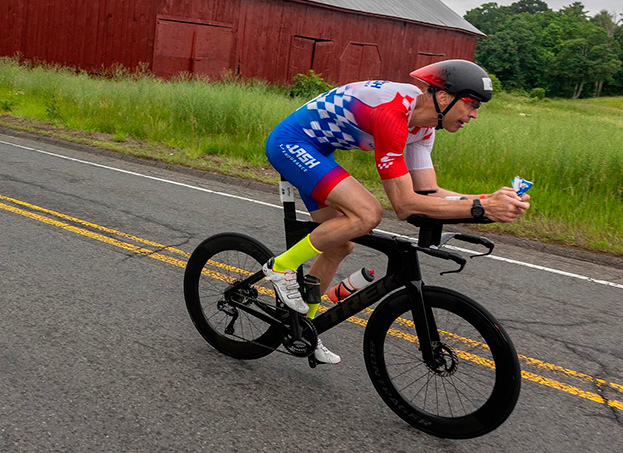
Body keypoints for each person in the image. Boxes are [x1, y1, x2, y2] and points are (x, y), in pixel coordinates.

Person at [263, 59, 531, 364]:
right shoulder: (393, 113)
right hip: (291, 143)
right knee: (367, 214)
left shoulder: (424, 129)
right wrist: (481, 207)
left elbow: (428, 192)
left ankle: (303, 328)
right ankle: (281, 266)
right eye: (471, 104)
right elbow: (403, 204)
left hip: (319, 151)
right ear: (444, 97)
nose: (474, 114)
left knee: (340, 245)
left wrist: (486, 199)